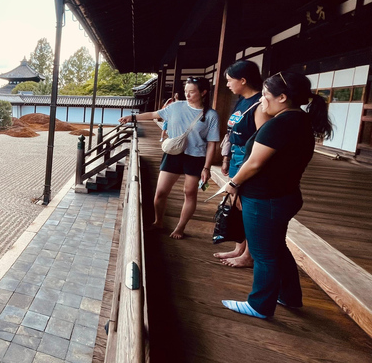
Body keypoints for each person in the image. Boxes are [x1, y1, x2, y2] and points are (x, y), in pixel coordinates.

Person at [221, 71, 333, 319]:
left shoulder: (282, 123)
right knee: (276, 248)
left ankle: (260, 305)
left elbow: (254, 163)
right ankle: (289, 296)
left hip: (266, 199)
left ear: (282, 97)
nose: (262, 100)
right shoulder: (298, 120)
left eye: (265, 95)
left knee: (264, 255)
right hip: (282, 195)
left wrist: (233, 183)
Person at [119, 77, 219, 239]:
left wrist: (207, 168)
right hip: (173, 154)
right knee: (160, 192)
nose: (188, 95)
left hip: (196, 157)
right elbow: (154, 114)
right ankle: (158, 222)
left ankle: (180, 228)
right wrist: (132, 117)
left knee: (190, 192)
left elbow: (212, 143)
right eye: (186, 91)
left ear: (203, 92)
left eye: (192, 92)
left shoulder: (211, 115)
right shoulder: (176, 107)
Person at [214, 60, 271, 268]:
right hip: (236, 155)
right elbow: (231, 133)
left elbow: (263, 140)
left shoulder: (259, 105)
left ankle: (249, 254)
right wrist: (227, 157)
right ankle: (240, 248)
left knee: (245, 204)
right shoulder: (241, 100)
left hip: (249, 157)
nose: (228, 84)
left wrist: (245, 166)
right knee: (236, 204)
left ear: (243, 80)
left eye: (230, 80)